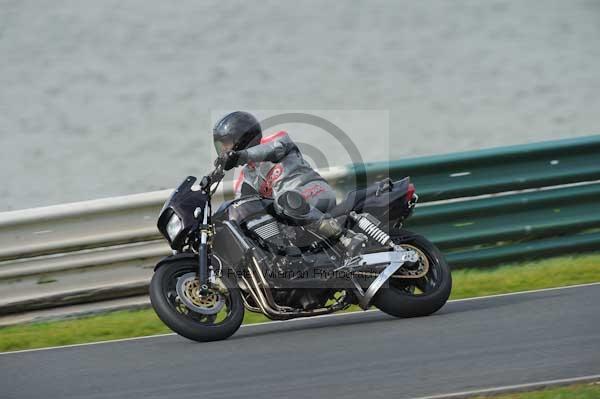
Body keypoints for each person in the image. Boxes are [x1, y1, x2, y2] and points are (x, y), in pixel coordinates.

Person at [213, 111, 367, 256]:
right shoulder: (246, 176)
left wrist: (240, 155)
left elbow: (270, 150)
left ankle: (346, 237)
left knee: (285, 201)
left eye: (226, 144)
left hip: (314, 191)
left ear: (242, 138)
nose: (224, 150)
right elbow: (243, 206)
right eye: (221, 146)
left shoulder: (277, 140)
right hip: (290, 216)